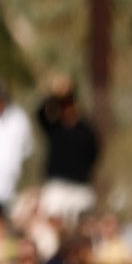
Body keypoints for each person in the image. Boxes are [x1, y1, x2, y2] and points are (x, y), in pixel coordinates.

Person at [37, 75, 101, 224]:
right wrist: (55, 94)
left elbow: (94, 154)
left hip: (80, 186)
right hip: (57, 185)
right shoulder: (54, 127)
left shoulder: (86, 130)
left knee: (80, 227)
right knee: (53, 223)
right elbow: (40, 113)